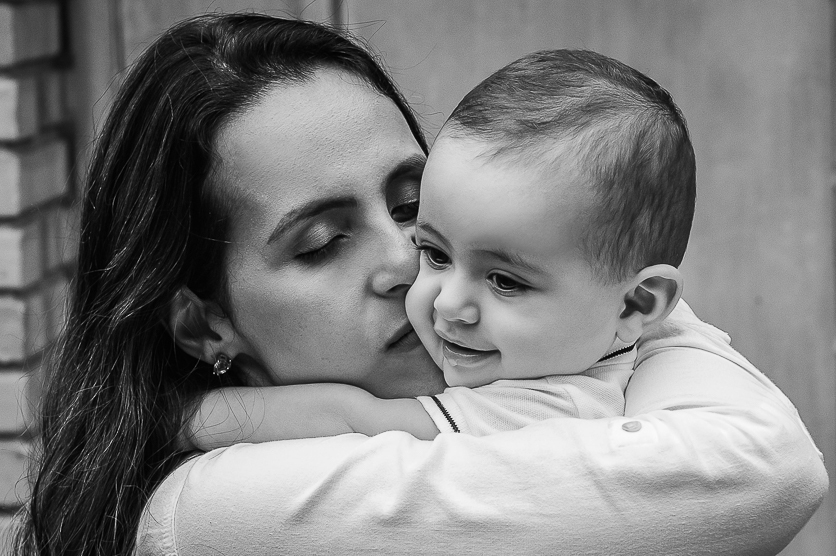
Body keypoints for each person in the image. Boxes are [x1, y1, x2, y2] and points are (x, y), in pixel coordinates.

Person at [9, 13, 828, 556]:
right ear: (202, 322)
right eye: (323, 241)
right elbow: (769, 466)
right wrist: (594, 290)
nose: (409, 266)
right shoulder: (230, 513)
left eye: (411, 207)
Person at [185, 48, 694, 446]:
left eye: (505, 281)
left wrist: (180, 418)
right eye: (436, 253)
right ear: (205, 326)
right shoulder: (596, 335)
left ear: (637, 303)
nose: (438, 296)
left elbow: (349, 418)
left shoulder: (550, 407)